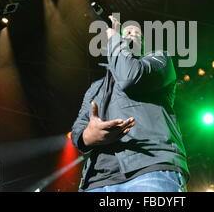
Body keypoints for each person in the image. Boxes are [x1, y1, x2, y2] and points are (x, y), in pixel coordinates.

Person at [71, 16, 189, 192]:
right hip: (97, 181)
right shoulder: (95, 88)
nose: (132, 34)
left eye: (137, 34)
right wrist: (89, 136)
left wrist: (114, 37)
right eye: (127, 32)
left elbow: (129, 76)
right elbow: (78, 129)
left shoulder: (159, 60)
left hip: (151, 168)